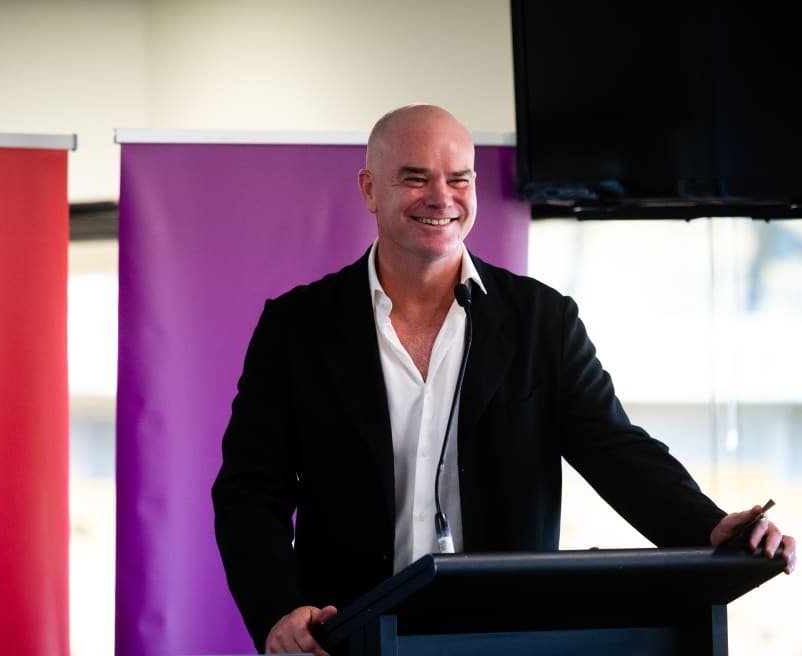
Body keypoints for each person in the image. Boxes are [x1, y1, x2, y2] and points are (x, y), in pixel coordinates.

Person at [211, 104, 796, 656]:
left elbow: (616, 449)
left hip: (505, 632)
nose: (441, 198)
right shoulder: (296, 326)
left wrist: (709, 523)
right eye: (415, 178)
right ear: (369, 188)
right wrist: (278, 609)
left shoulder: (543, 319)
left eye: (459, 179)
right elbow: (249, 492)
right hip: (348, 631)